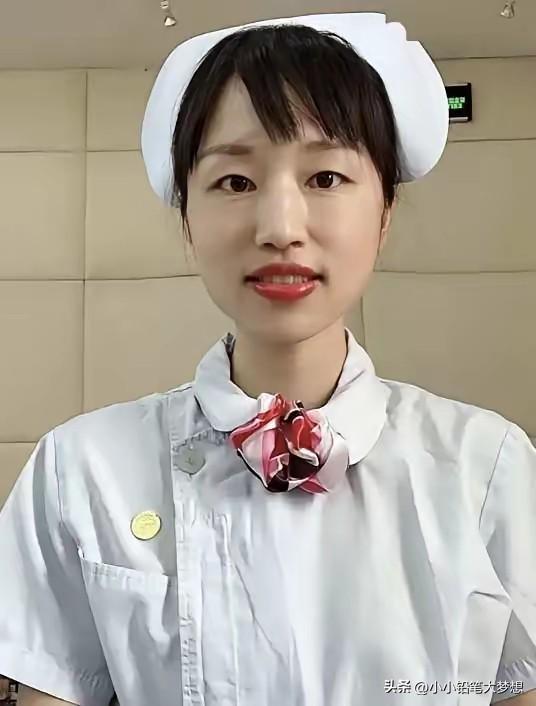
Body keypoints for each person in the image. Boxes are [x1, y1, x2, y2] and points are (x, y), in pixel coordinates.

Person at [0, 11, 534, 706]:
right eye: (235, 182)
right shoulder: (80, 470)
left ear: (384, 215)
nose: (281, 227)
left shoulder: (488, 467)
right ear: (187, 220)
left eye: (326, 177)